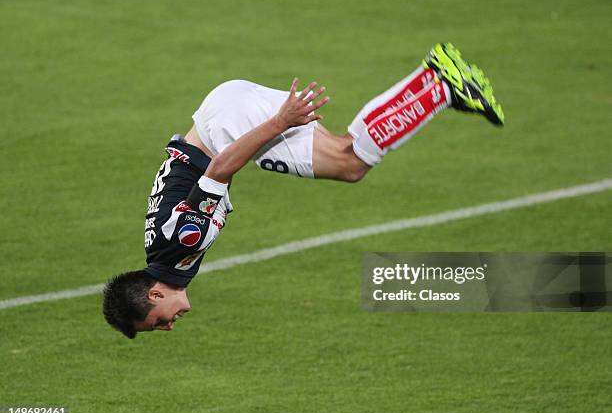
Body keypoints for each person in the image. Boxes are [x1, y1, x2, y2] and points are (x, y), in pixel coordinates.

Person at [103, 43, 504, 338]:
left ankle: (440, 83)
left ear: (154, 295)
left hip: (227, 129)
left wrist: (280, 123)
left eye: (158, 323)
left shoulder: (180, 245)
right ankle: (435, 85)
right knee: (345, 158)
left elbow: (221, 168)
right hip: (221, 119)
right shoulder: (167, 260)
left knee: (349, 162)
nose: (168, 326)